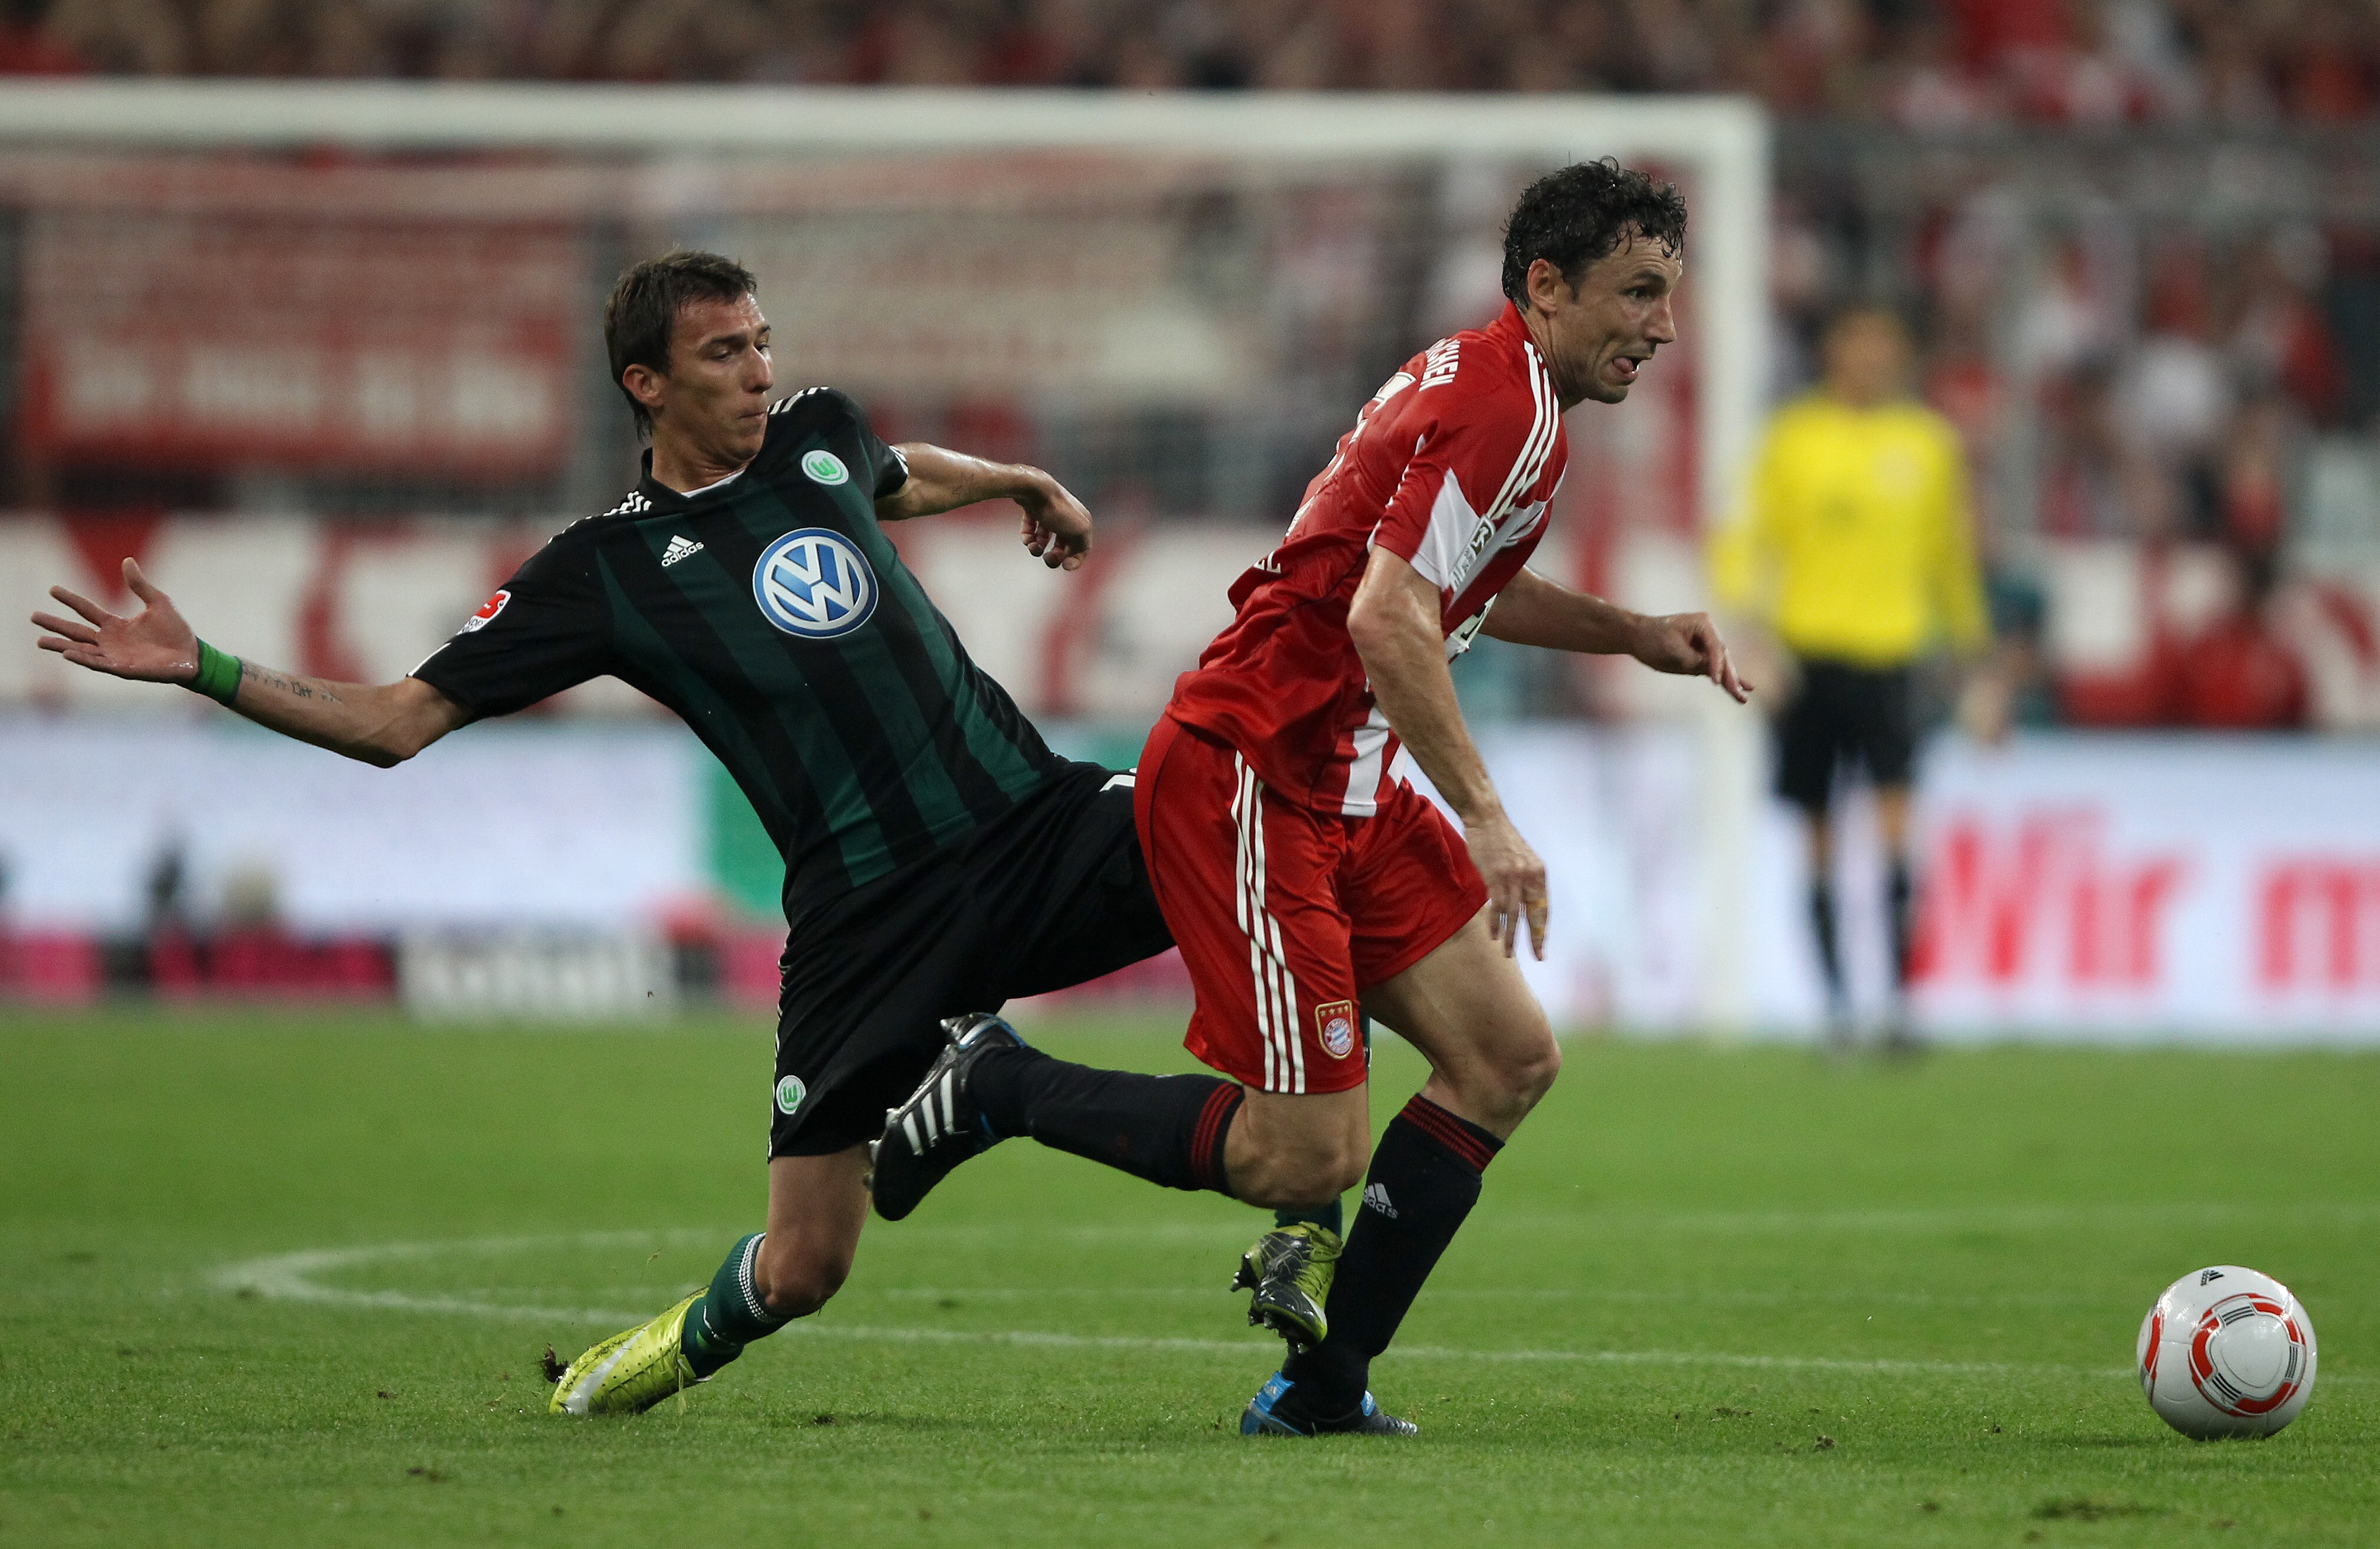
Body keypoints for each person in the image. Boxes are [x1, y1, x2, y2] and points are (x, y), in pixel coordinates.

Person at [29, 250, 1179, 1417]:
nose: (759, 373)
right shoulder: (604, 572)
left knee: (1241, 842)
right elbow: (394, 721)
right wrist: (201, 666)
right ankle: (673, 1347)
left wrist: (1015, 481)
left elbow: (887, 479)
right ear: (646, 384)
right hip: (868, 920)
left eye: (762, 343)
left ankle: (1310, 1213)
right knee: (805, 1266)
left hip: (1031, 821)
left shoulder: (814, 430)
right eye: (725, 354)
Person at [865, 161, 1750, 1437]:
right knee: (1306, 1156)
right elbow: (1388, 615)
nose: (1666, 326)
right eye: (1641, 292)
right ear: (1548, 287)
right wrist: (1492, 818)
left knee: (1506, 1060)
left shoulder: (1509, 387)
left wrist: (1628, 633)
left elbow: (1442, 592)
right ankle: (996, 1083)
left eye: (1673, 294)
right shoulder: (1504, 408)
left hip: (1347, 781)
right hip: (1257, 769)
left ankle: (1322, 1389)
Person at [1710, 305, 1990, 1046]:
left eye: (1886, 342)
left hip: (1894, 657)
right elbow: (1745, 540)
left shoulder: (1928, 444)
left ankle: (1898, 1005)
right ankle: (1837, 1009)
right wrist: (1751, 631)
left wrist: (1974, 655)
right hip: (1809, 659)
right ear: (1834, 348)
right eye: (1860, 340)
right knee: (1820, 835)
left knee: (1900, 834)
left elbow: (1950, 557)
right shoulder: (1793, 439)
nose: (1873, 356)